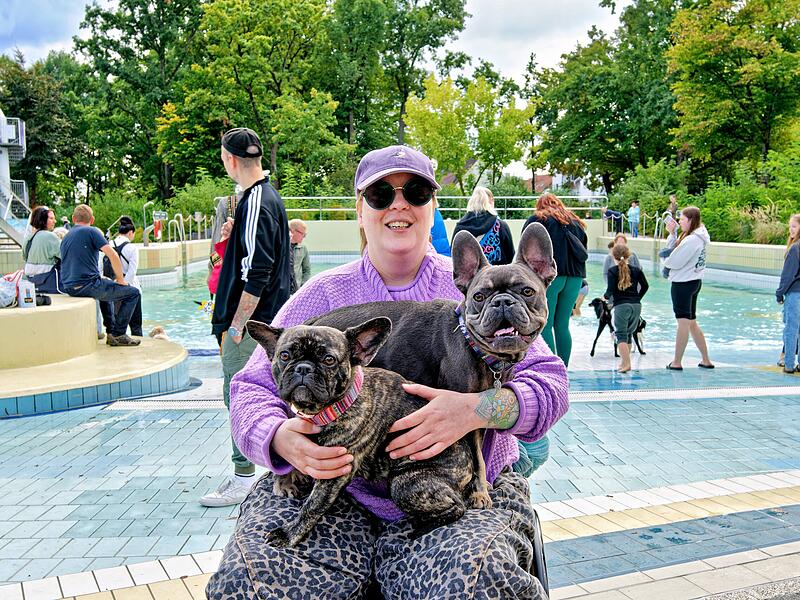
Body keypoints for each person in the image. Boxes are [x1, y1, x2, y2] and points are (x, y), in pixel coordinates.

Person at [206, 145, 568, 599]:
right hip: (338, 496)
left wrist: (475, 410)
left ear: (432, 208)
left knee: (481, 579)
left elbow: (551, 385)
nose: (399, 204)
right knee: (252, 580)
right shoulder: (322, 295)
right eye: (380, 194)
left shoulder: (486, 289)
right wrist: (278, 438)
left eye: (415, 193)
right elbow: (250, 388)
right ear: (360, 210)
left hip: (456, 492)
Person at [200, 127, 292, 508]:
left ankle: (243, 478)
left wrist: (236, 327)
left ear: (230, 159)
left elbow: (257, 273)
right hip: (265, 323)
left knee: (239, 396)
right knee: (265, 397)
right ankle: (273, 474)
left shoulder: (256, 202)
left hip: (251, 327)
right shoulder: (265, 199)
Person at [60, 204, 141, 346]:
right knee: (133, 293)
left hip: (69, 286)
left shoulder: (66, 236)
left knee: (105, 285)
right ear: (92, 220)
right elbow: (112, 255)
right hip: (87, 285)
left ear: (73, 219)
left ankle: (111, 331)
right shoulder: (92, 231)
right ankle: (118, 333)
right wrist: (121, 280)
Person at [523, 192, 588, 367]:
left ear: (540, 206)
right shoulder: (576, 223)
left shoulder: (538, 220)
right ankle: (564, 368)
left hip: (550, 278)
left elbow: (524, 249)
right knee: (563, 325)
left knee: (546, 324)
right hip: (575, 278)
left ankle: (552, 369)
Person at [663, 206, 714, 370]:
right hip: (694, 282)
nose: (679, 222)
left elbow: (673, 260)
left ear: (691, 220)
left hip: (683, 283)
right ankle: (706, 359)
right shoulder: (698, 236)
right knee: (691, 322)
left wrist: (665, 261)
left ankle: (677, 362)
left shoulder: (692, 240)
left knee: (683, 323)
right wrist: (672, 234)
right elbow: (676, 252)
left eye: (682, 219)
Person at [604, 245, 649, 373]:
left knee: (621, 335)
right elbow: (645, 286)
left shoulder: (612, 271)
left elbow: (610, 291)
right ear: (629, 256)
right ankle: (624, 363)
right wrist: (637, 298)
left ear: (613, 256)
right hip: (636, 306)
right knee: (628, 334)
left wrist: (604, 298)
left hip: (621, 306)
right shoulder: (636, 270)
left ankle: (627, 364)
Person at [452, 186, 514, 265]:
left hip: (470, 272)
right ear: (491, 201)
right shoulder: (500, 225)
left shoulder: (460, 226)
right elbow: (510, 256)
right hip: (497, 271)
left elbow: (454, 256)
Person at [776, 214, 800, 374]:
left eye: (794, 226)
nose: (791, 229)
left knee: (791, 330)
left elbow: (787, 275)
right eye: (790, 226)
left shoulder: (795, 249)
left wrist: (779, 294)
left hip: (795, 293)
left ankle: (789, 364)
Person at [111, 216, 142, 337]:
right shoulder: (132, 248)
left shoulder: (109, 245)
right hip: (131, 287)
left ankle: (116, 339)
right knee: (135, 325)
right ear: (130, 233)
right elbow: (132, 271)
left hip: (113, 287)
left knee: (115, 323)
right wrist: (124, 284)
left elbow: (101, 267)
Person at [22, 206, 61, 292]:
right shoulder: (50, 236)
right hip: (49, 281)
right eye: (51, 218)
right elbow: (65, 255)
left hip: (31, 281)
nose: (55, 221)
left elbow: (25, 257)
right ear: (42, 220)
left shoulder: (28, 238)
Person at [289, 218, 311, 292]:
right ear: (292, 231)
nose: (304, 236)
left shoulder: (303, 248)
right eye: (303, 234)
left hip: (297, 289)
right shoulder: (281, 247)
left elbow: (307, 270)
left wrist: (303, 286)